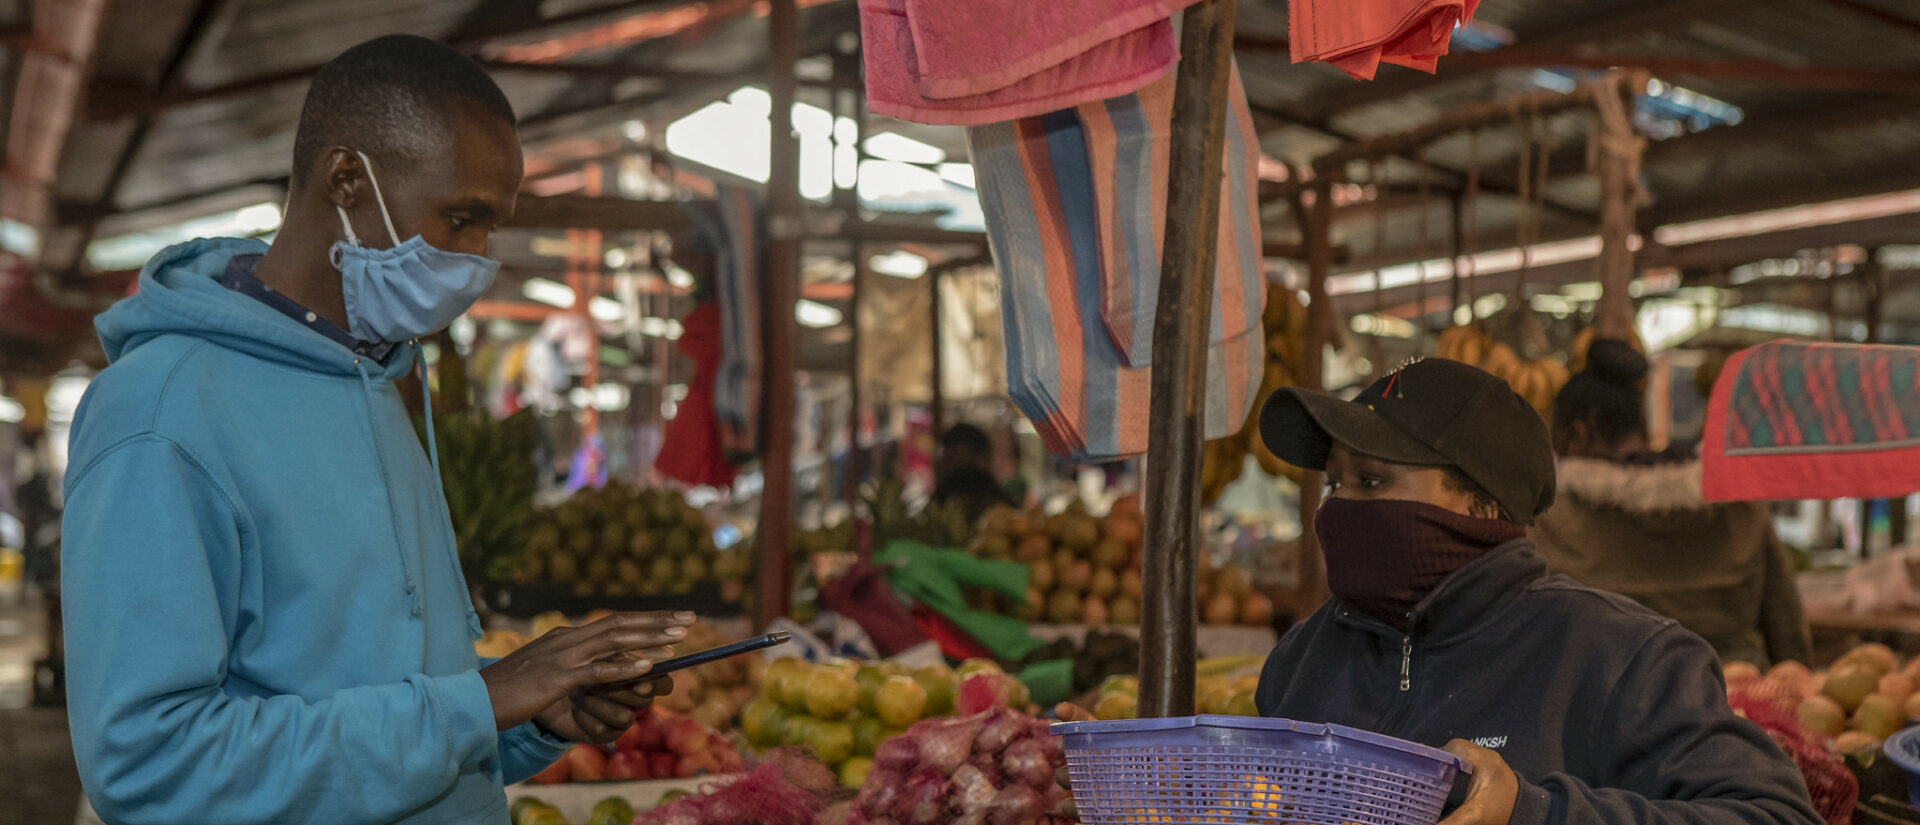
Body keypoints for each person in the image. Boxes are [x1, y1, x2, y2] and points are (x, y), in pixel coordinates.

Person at [61, 36, 690, 825]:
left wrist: (529, 720)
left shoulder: (376, 379)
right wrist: (480, 700)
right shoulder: (161, 413)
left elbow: (386, 695)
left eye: (491, 227)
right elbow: (152, 764)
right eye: (461, 217)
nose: (477, 259)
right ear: (346, 179)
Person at [1086, 357, 1816, 825]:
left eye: (1373, 480)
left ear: (1481, 505)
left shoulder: (1624, 657)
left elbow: (1777, 816)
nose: (1340, 506)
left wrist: (1534, 812)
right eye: (1337, 481)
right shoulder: (1305, 657)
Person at [1531, 339, 1811, 668]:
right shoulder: (1739, 505)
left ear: (1577, 437)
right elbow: (1788, 631)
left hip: (1609, 703)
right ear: (1643, 428)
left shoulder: (1551, 520)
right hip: (1733, 699)